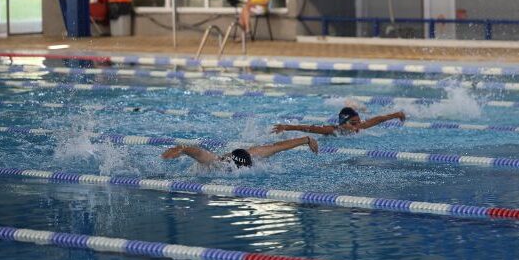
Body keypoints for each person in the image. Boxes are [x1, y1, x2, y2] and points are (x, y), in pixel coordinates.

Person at [161, 136, 318, 169]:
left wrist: (306, 139)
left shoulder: (255, 154)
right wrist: (181, 149)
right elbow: (199, 153)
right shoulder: (220, 164)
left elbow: (279, 146)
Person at [271, 107, 406, 136]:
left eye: (358, 122)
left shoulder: (361, 127)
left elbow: (378, 119)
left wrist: (396, 114)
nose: (358, 126)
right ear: (344, 123)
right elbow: (309, 128)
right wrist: (287, 127)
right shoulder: (332, 130)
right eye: (354, 123)